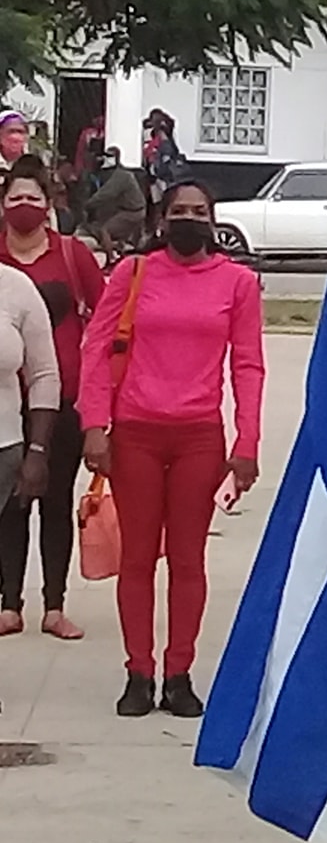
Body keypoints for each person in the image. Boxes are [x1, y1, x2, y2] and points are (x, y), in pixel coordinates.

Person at [79, 181, 264, 718]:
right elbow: (96, 347)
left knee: (187, 560)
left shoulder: (237, 283)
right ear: (162, 219)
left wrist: (245, 442)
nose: (189, 219)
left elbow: (247, 364)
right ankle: (139, 672)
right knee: (137, 558)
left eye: (199, 212)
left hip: (199, 437)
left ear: (212, 220)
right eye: (179, 211)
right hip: (135, 430)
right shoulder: (134, 274)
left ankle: (178, 672)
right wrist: (95, 423)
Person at [0, 156, 102, 639]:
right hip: (5, 405)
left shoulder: (70, 256)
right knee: (9, 507)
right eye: (14, 198)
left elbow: (104, 323)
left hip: (62, 401)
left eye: (32, 199)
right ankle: (10, 603)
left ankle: (54, 605)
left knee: (55, 501)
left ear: (48, 205)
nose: (23, 207)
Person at [84, 147, 147, 254]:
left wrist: (88, 204)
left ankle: (110, 256)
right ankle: (118, 248)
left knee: (105, 230)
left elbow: (106, 193)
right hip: (130, 209)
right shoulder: (120, 173)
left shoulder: (121, 176)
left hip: (132, 212)